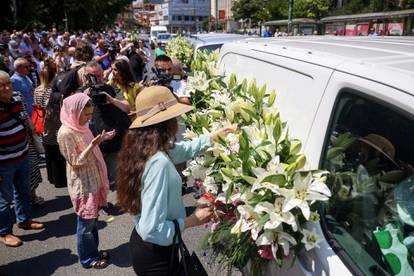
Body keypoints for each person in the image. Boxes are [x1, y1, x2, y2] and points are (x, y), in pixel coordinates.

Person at [116, 86, 236, 275]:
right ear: (166, 121)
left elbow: (184, 149)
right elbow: (152, 230)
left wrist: (213, 137)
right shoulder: (159, 163)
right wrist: (192, 220)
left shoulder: (144, 147)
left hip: (149, 245)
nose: (178, 120)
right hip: (156, 252)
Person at [57, 93, 114, 269]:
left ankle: (93, 252)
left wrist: (102, 139)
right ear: (74, 111)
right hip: (83, 185)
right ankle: (88, 259)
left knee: (92, 221)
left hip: (93, 179)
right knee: (86, 225)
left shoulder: (81, 126)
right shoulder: (65, 132)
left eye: (90, 114)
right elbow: (75, 161)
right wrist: (93, 144)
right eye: (86, 114)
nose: (89, 118)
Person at [0, 71, 44, 247]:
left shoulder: (17, 98)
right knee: (4, 200)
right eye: (2, 85)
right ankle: (4, 233)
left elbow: (25, 121)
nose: (7, 88)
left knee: (23, 191)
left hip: (22, 154)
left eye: (8, 83)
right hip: (3, 163)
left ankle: (24, 220)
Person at [85, 61, 131, 187]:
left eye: (100, 75)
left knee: (116, 179)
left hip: (114, 141)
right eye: (95, 77)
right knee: (97, 180)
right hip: (93, 142)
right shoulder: (82, 93)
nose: (99, 79)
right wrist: (85, 97)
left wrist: (112, 100)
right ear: (87, 77)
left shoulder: (110, 88)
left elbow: (127, 107)